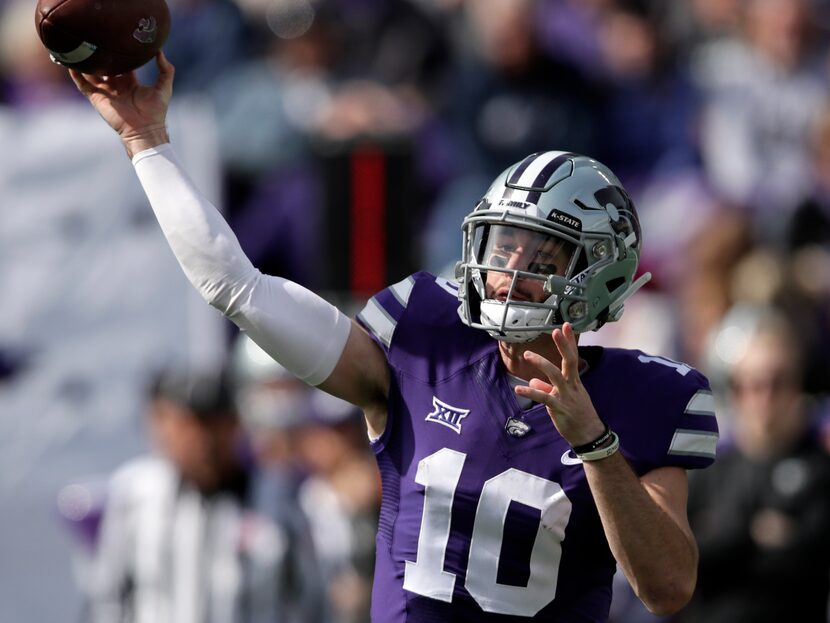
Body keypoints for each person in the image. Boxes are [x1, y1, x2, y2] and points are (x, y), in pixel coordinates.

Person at [70, 54, 719, 622]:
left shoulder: (647, 396)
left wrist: (595, 443)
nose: (510, 272)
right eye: (502, 246)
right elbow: (236, 287)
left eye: (541, 258)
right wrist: (146, 138)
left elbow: (667, 588)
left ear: (597, 274)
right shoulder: (421, 342)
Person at [88, 367, 326, 623]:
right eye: (189, 424)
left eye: (215, 423)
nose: (202, 439)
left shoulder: (279, 500)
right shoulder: (138, 495)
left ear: (237, 423)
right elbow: (108, 599)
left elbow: (311, 601)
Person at [680, 306, 830, 623]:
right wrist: (753, 534)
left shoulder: (819, 469)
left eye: (779, 381)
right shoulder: (708, 470)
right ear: (734, 388)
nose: (765, 397)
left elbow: (808, 560)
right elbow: (680, 567)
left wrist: (721, 537)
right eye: (752, 384)